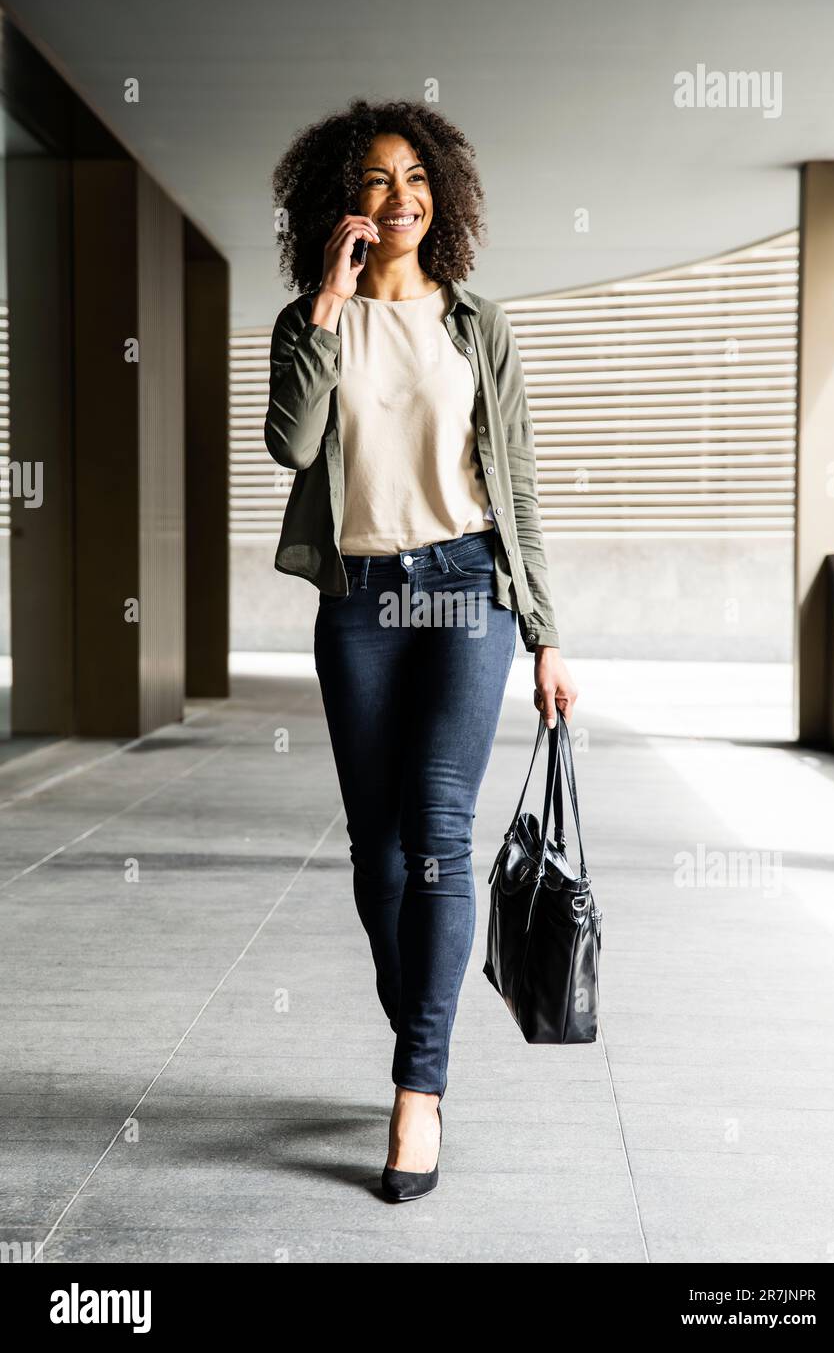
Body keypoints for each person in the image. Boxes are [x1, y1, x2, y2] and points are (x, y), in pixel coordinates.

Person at [265, 98, 577, 1201]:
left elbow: (518, 488)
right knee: (377, 845)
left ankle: (416, 1087)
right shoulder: (313, 319)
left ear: (437, 195)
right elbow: (288, 444)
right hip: (358, 596)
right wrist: (328, 303)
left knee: (439, 823)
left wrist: (543, 633)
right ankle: (423, 1019)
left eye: (415, 179)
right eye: (376, 180)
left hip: (462, 587)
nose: (400, 198)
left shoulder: (477, 326)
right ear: (341, 202)